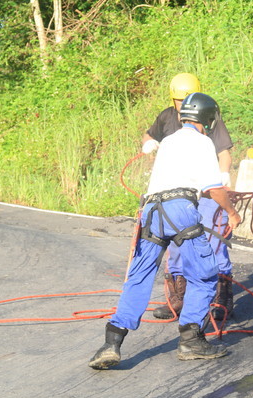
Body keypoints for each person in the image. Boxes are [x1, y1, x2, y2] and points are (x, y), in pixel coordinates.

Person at [89, 93, 241, 370]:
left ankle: (111, 343)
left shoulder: (169, 141)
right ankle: (191, 340)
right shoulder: (203, 142)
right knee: (206, 274)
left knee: (140, 275)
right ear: (207, 118)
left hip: (152, 211)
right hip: (180, 209)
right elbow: (214, 188)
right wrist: (232, 211)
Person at [142, 73, 235, 321]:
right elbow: (150, 135)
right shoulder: (167, 117)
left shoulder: (207, 116)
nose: (183, 105)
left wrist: (224, 174)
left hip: (205, 191)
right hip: (176, 196)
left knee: (215, 241)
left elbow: (223, 152)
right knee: (176, 244)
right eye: (178, 100)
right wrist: (149, 143)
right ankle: (179, 297)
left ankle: (221, 297)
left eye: (187, 100)